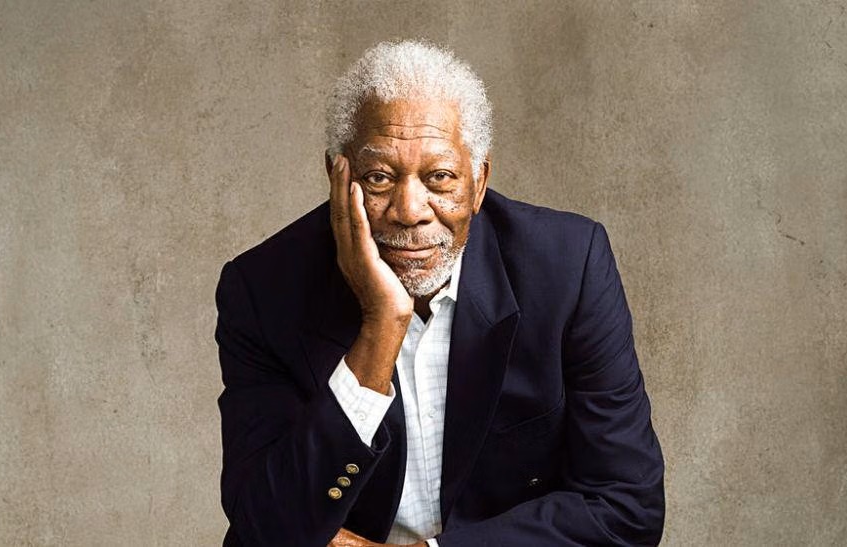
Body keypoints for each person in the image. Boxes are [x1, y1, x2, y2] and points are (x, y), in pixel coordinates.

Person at [214, 40, 665, 546]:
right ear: (337, 176)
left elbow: (627, 508)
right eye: (379, 177)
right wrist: (381, 326)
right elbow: (265, 529)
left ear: (479, 182)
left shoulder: (566, 266)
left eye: (440, 178)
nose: (410, 211)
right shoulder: (262, 291)